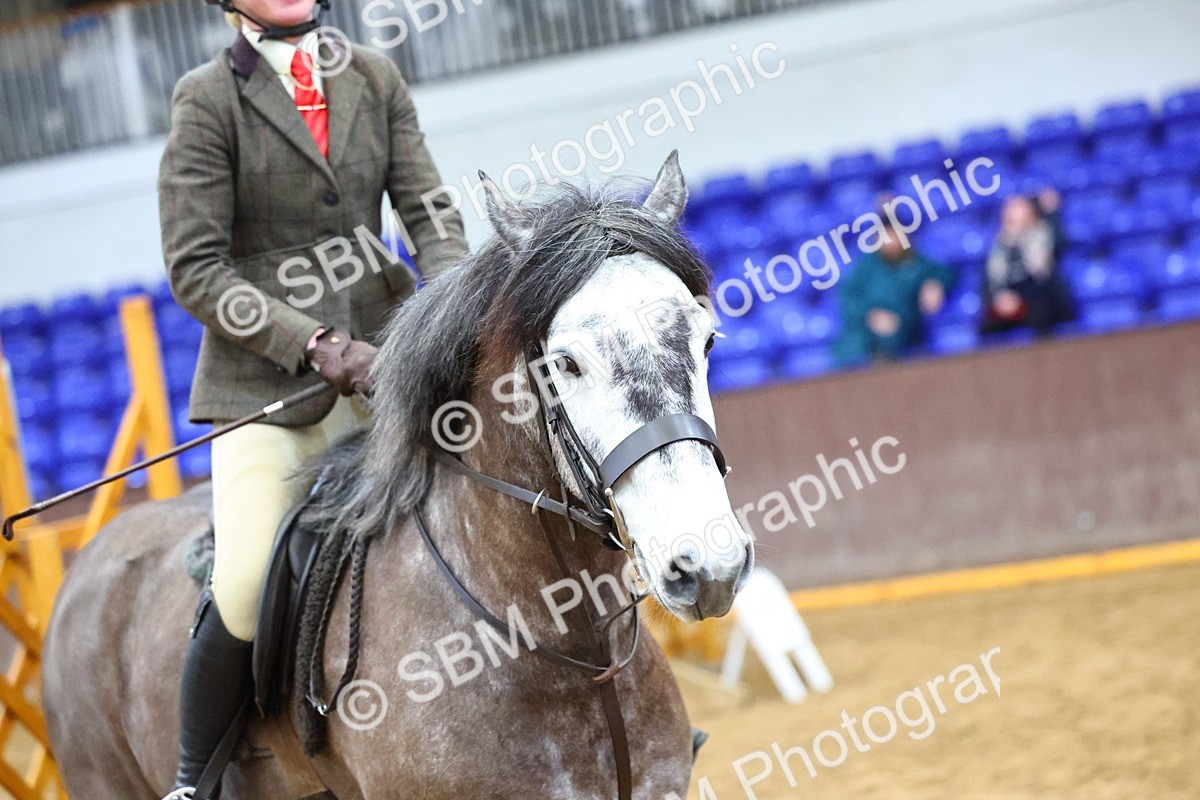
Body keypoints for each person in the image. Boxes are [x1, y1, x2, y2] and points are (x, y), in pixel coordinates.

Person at [157, 1, 468, 797]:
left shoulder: (374, 75)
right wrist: (315, 343)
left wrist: (458, 303)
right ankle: (197, 778)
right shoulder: (206, 98)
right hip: (268, 390)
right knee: (246, 579)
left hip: (388, 364)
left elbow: (428, 210)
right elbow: (196, 268)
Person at [833, 220, 956, 364]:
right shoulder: (866, 266)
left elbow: (947, 274)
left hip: (909, 339)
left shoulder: (917, 261)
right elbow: (847, 299)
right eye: (886, 235)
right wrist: (870, 315)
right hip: (867, 343)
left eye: (895, 234)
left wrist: (936, 283)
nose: (891, 241)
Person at [979, 193, 1074, 337]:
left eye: (1018, 213)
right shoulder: (998, 246)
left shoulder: (1044, 234)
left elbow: (1060, 242)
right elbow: (987, 282)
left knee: (1041, 317)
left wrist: (1052, 213)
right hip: (1008, 299)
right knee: (986, 327)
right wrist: (999, 298)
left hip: (1039, 296)